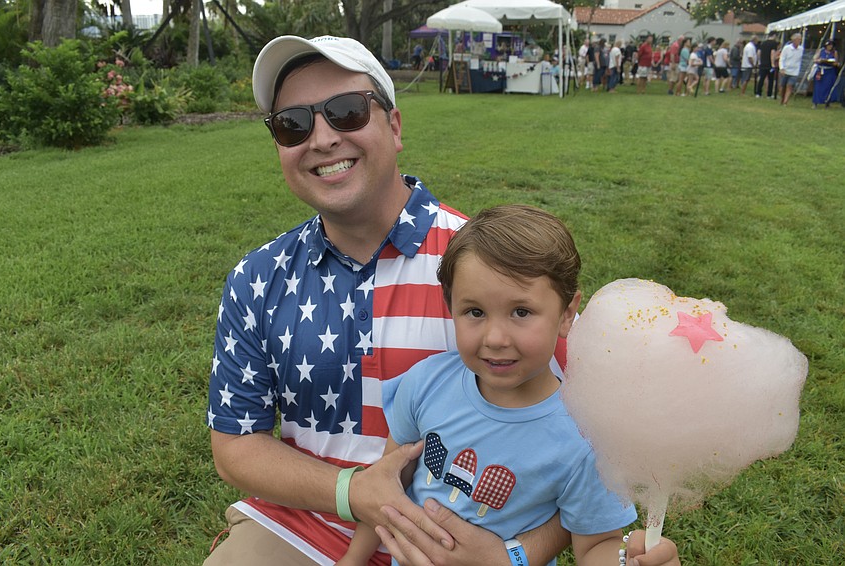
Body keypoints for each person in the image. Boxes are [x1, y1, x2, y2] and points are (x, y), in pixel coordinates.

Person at [204, 34, 682, 566]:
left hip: (470, 542)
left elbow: (578, 455)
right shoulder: (257, 278)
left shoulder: (490, 272)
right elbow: (236, 448)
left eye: (345, 111)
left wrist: (510, 555)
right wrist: (352, 493)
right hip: (306, 526)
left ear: (394, 125)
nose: (321, 139)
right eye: (292, 122)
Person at [340, 205, 663, 566]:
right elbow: (387, 487)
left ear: (567, 314)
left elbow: (597, 544)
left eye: (521, 312)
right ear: (451, 308)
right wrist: (352, 560)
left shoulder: (586, 437)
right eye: (475, 312)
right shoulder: (424, 383)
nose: (495, 338)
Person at [812, 39, 839, 108]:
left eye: (831, 45)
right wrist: (820, 60)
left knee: (828, 87)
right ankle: (815, 102)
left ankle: (827, 102)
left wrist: (833, 63)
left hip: (829, 71)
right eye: (828, 45)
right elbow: (814, 59)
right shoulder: (821, 51)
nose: (830, 47)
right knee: (818, 87)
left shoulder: (834, 52)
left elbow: (836, 62)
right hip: (821, 70)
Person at [779, 33, 804, 106]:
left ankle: (785, 102)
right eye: (798, 39)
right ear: (794, 40)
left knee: (789, 86)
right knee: (782, 86)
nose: (799, 41)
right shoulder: (787, 48)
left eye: (800, 39)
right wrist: (782, 68)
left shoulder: (801, 49)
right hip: (785, 70)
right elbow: (782, 58)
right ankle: (782, 99)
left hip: (794, 72)